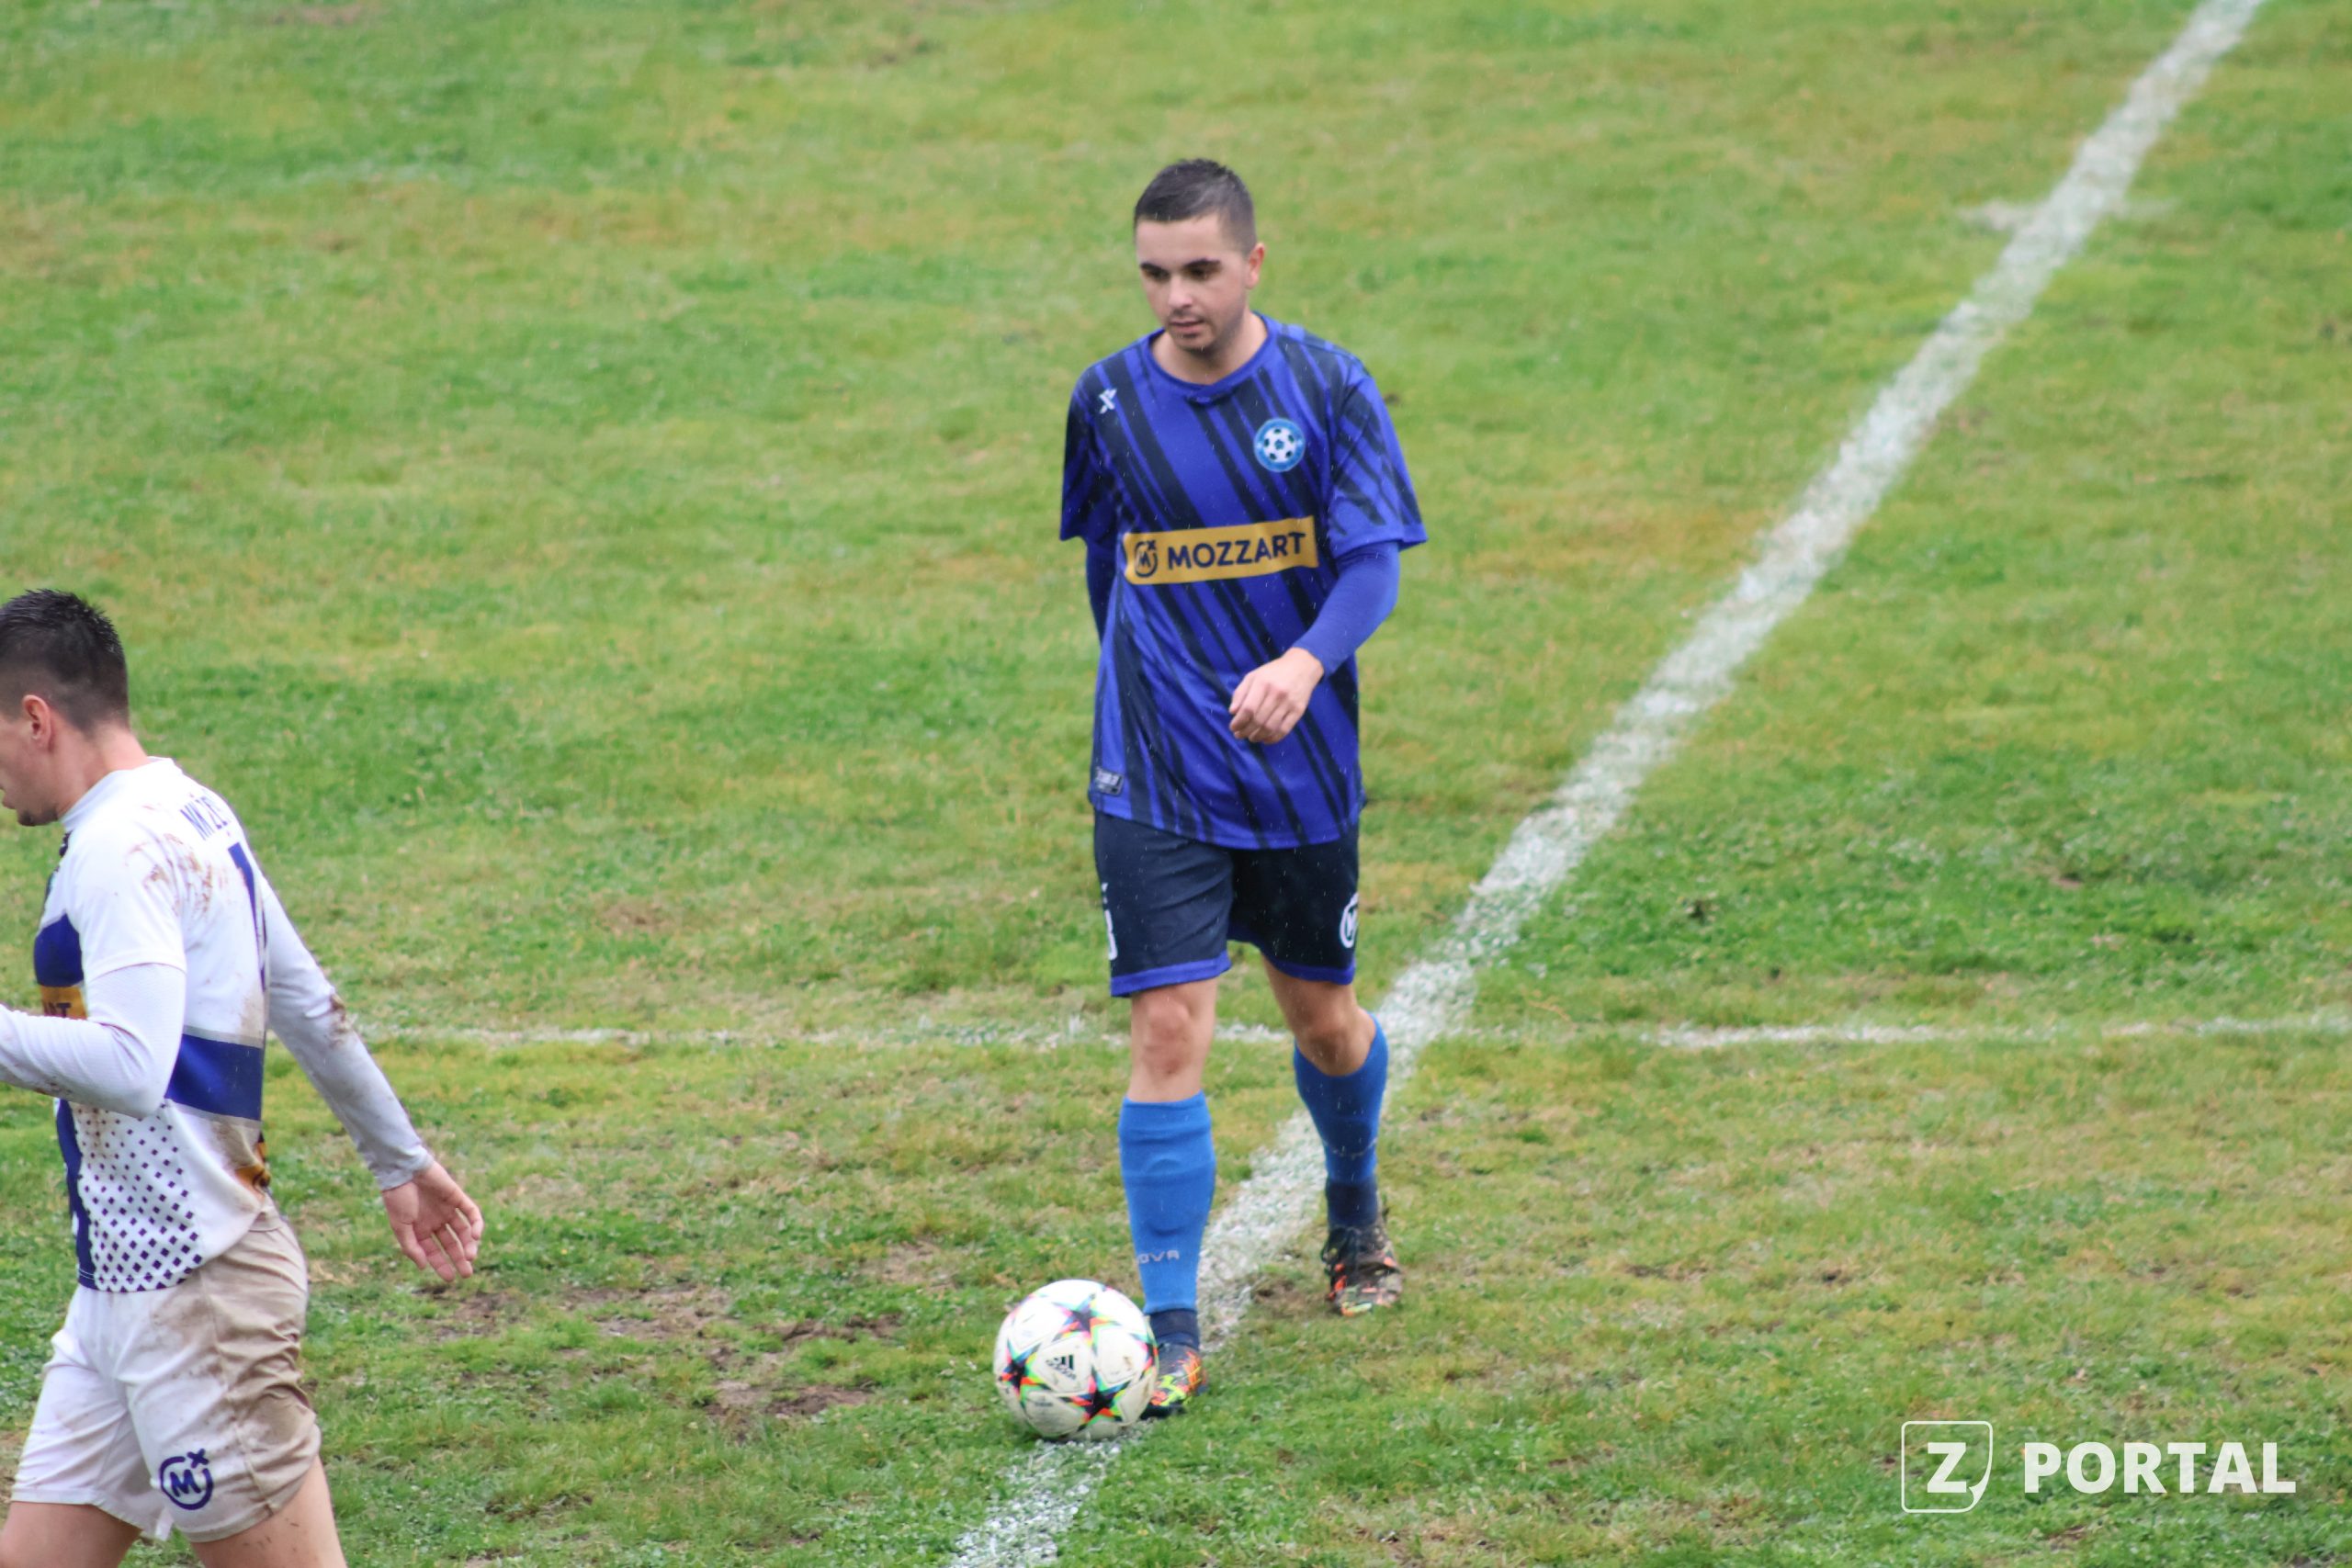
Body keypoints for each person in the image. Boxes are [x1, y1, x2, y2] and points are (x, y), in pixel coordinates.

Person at [0, 589, 484, 1567]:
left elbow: (133, 1066)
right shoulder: (192, 808)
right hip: (117, 1299)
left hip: (199, 1299)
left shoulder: (119, 845)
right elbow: (302, 998)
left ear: (37, 719)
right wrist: (399, 1158)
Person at [1060, 160, 1426, 1416]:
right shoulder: (1108, 401)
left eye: (1201, 270)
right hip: (1155, 763)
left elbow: (1371, 568)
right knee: (1168, 1025)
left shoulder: (1327, 389)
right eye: (1155, 273)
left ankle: (1354, 1207)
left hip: (1296, 764)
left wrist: (1302, 663)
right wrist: (1139, 696)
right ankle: (1169, 1327)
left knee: (1324, 1019)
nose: (1179, 296)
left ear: (1253, 263)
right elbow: (1108, 568)